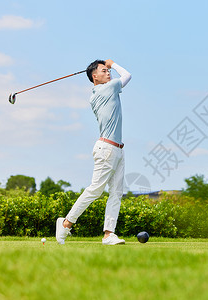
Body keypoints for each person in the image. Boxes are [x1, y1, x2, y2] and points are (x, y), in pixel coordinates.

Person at [56, 59, 131, 245]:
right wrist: (113, 63)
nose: (108, 73)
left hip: (118, 149)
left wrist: (107, 66)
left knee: (116, 192)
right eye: (104, 71)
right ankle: (65, 224)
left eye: (108, 70)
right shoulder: (108, 88)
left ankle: (108, 234)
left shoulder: (99, 91)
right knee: (95, 190)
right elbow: (127, 76)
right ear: (94, 76)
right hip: (107, 149)